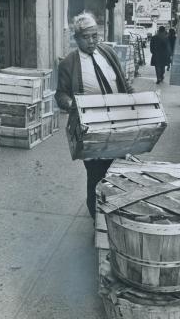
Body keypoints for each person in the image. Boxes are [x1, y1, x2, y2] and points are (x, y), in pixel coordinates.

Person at [55, 12, 133, 220]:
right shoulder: (68, 64)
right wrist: (73, 104)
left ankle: (118, 218)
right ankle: (98, 222)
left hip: (118, 124)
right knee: (97, 177)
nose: (91, 41)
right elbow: (60, 95)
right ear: (76, 38)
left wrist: (133, 102)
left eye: (94, 36)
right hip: (91, 129)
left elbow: (122, 79)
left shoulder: (107, 52)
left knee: (119, 172)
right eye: (86, 37)